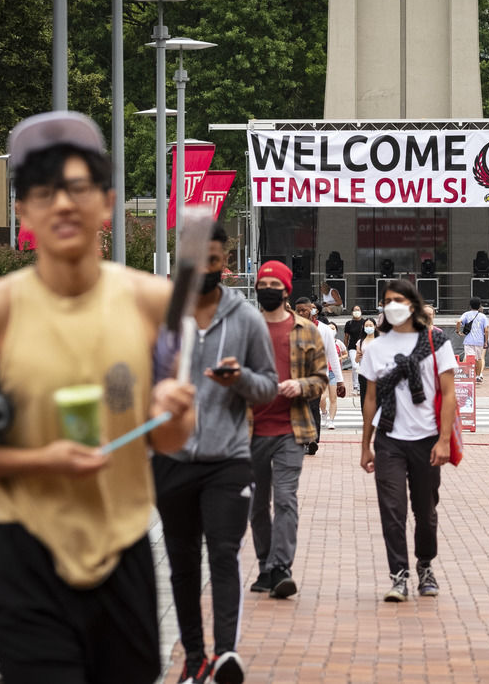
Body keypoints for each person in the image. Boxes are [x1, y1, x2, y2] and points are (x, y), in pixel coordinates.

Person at [0, 112, 197, 684]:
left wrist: (174, 411)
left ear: (107, 204)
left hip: (123, 549)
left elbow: (170, 439)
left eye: (78, 188)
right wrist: (37, 461)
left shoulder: (152, 302)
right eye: (43, 192)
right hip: (26, 553)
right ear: (23, 212)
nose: (63, 204)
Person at [150, 221, 278, 684]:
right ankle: (194, 657)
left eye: (215, 261)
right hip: (171, 459)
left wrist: (239, 378)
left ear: (225, 262)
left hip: (227, 460)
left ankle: (225, 656)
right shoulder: (161, 316)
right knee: (182, 564)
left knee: (223, 554)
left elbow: (267, 387)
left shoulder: (245, 318)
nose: (206, 268)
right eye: (197, 260)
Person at [359, 279, 455, 602]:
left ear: (412, 304)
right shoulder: (375, 348)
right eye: (387, 300)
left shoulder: (437, 341)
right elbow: (370, 399)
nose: (392, 305)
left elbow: (449, 393)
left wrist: (444, 440)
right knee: (393, 508)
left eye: (398, 299)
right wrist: (365, 446)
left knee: (425, 512)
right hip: (389, 440)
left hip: (426, 439)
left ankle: (425, 566)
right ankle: (398, 574)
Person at [248, 261, 327, 600]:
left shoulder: (307, 330)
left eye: (273, 283)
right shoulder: (246, 328)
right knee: (256, 504)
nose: (267, 288)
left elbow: (321, 378)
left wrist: (301, 385)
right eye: (262, 282)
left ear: (285, 290)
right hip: (250, 431)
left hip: (291, 429)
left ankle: (281, 567)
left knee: (285, 499)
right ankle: (265, 564)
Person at [294, 297, 345, 454]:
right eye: (299, 310)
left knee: (313, 407)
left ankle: (313, 440)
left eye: (305, 310)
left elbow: (332, 356)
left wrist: (340, 381)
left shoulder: (324, 330)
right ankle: (303, 441)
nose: (302, 313)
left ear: (312, 309)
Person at [457, 297, 489, 384]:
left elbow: (458, 321)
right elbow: (486, 329)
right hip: (479, 341)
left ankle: (469, 375)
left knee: (469, 358)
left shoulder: (466, 314)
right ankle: (478, 376)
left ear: (470, 305)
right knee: (479, 359)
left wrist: (458, 331)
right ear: (479, 306)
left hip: (468, 341)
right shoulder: (483, 316)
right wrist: (486, 341)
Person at [320, 320, 347, 431]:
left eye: (333, 328)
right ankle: (324, 413)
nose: (331, 330)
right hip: (323, 372)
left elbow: (345, 354)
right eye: (329, 328)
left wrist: (338, 359)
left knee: (333, 398)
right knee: (322, 397)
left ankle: (331, 420)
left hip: (334, 373)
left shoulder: (339, 343)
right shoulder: (322, 341)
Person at [355, 319, 379, 402]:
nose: (368, 327)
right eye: (366, 326)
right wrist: (358, 356)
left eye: (370, 325)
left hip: (377, 372)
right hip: (364, 373)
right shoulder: (360, 342)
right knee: (364, 397)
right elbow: (357, 360)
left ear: (375, 326)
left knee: (377, 396)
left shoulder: (380, 341)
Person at [344, 305, 367, 389]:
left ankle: (362, 385)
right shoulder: (349, 323)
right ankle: (355, 385)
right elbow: (346, 337)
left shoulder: (365, 322)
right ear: (352, 312)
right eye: (355, 310)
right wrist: (345, 349)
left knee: (363, 366)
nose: (356, 311)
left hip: (364, 347)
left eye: (358, 310)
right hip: (353, 347)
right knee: (355, 366)